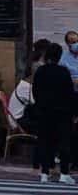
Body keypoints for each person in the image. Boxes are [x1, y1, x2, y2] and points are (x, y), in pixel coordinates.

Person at [33, 41, 75, 184]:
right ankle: (64, 173)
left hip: (44, 113)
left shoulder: (40, 72)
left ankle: (44, 173)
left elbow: (35, 92)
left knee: (45, 142)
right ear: (59, 56)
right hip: (62, 113)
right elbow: (70, 93)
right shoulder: (63, 72)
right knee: (64, 143)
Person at [9, 39, 50, 132]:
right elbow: (41, 104)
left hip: (22, 117)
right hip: (19, 122)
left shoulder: (34, 64)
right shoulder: (27, 87)